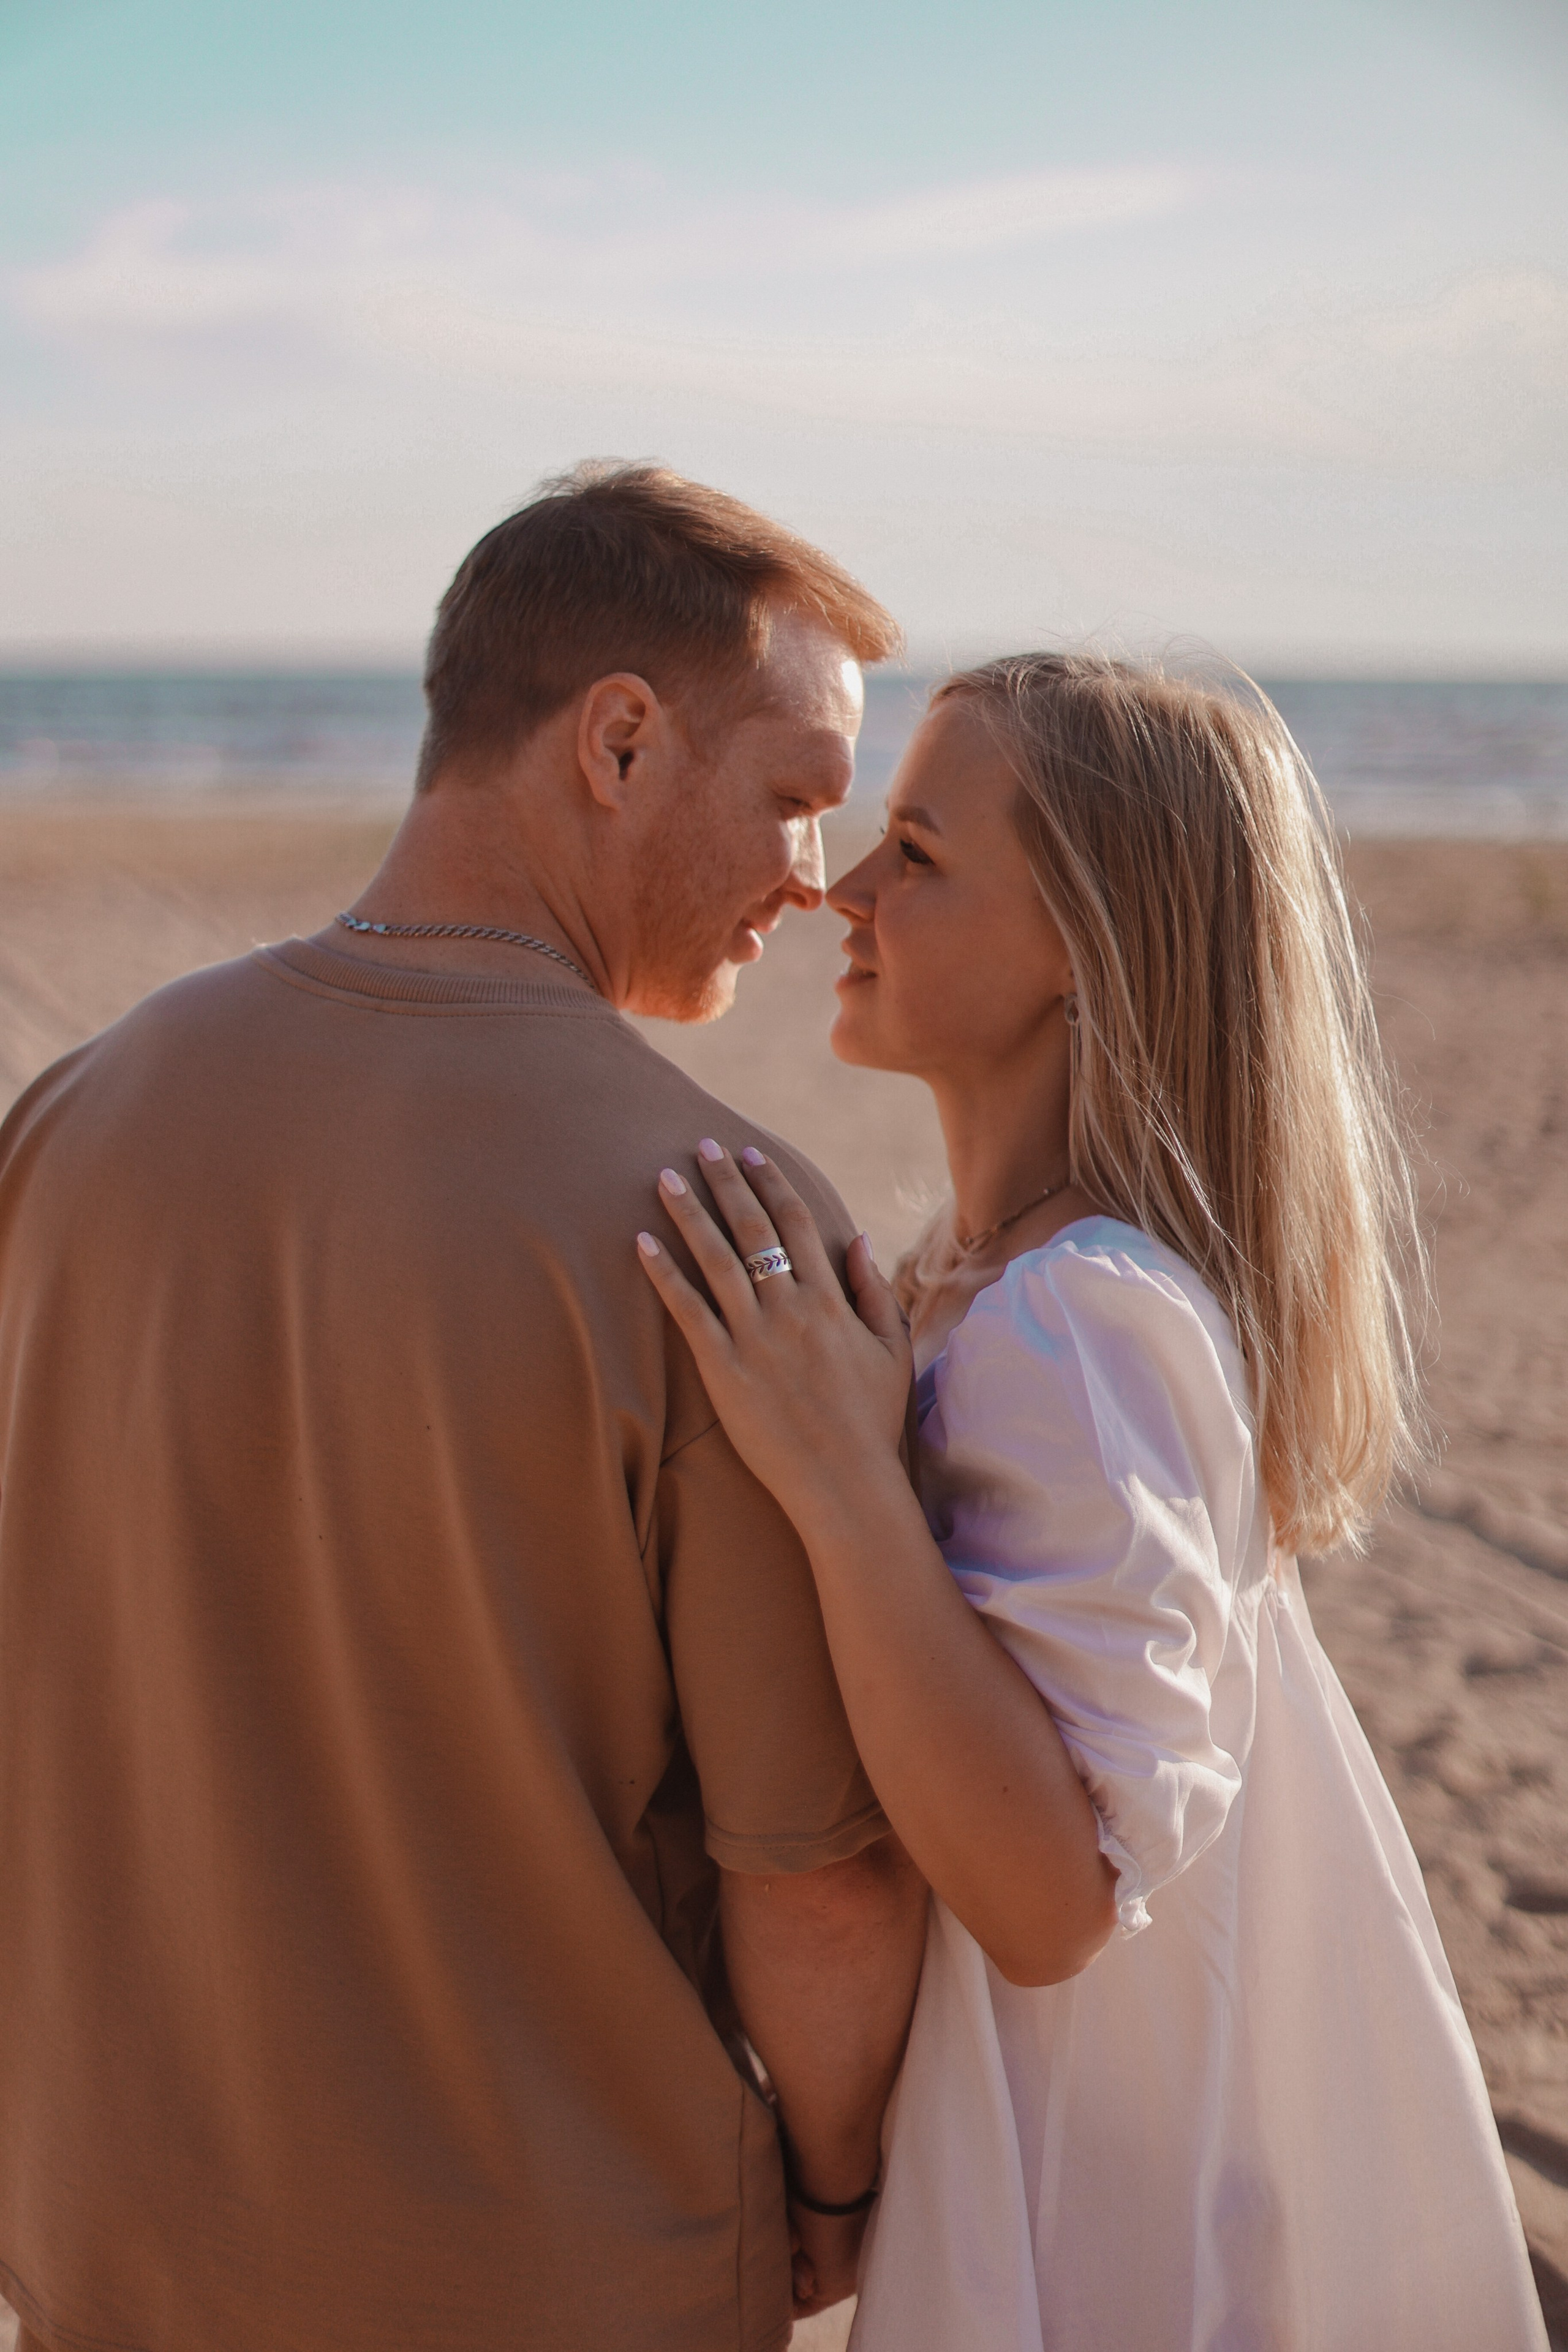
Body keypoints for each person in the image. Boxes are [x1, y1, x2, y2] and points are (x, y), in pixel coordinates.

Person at [0, 464, 928, 2352]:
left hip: (109, 2247)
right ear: (618, 742)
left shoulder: (71, 1118)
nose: (814, 877)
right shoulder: (722, 1220)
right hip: (557, 2274)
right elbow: (817, 1882)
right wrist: (831, 2187)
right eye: (796, 797)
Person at [636, 650, 1550, 2350]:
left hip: (1110, 2190)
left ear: (1082, 943)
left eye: (916, 851)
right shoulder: (1002, 1288)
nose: (842, 885)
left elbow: (1053, 1904)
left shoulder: (1081, 1323)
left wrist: (841, 1484)